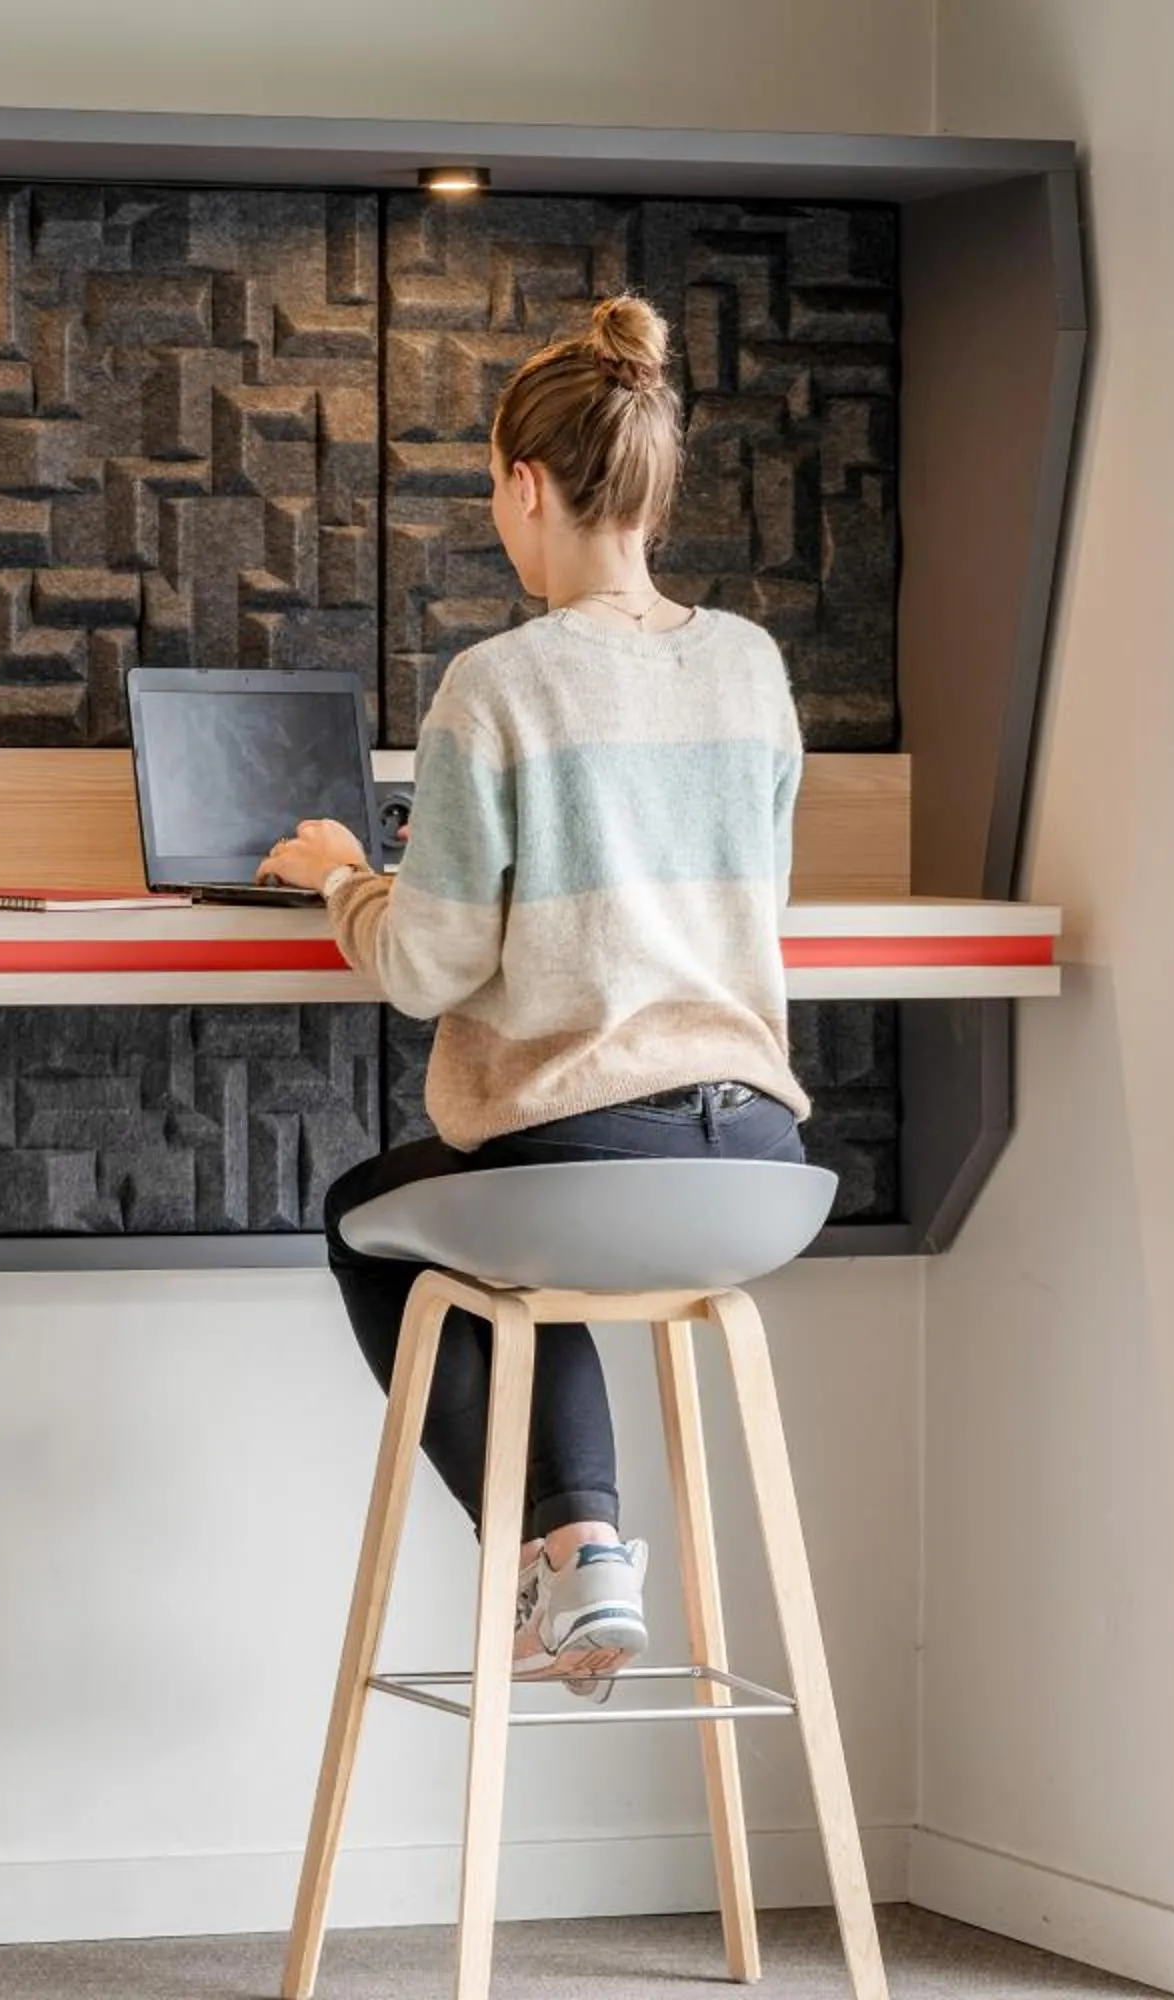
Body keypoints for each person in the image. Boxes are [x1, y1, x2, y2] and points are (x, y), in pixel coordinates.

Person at [260, 292, 812, 1694]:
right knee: (541, 1199)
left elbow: (427, 965)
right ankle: (587, 1562)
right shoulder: (750, 667)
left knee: (384, 1215)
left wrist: (345, 877)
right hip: (759, 1154)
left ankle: (554, 1556)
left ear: (524, 484)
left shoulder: (496, 686)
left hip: (584, 1152)